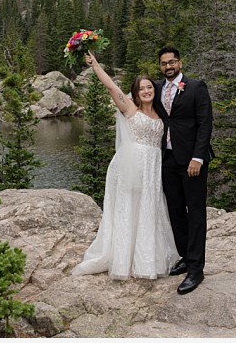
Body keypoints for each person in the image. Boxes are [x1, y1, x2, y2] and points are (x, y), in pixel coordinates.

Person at [72, 51, 180, 280]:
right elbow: (112, 88)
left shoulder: (162, 114)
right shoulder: (131, 109)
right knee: (129, 209)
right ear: (136, 93)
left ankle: (147, 261)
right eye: (142, 88)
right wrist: (96, 66)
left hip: (152, 168)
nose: (147, 91)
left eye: (150, 87)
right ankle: (124, 260)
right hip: (131, 167)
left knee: (149, 209)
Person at [153, 46, 214, 295]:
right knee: (175, 211)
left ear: (180, 63)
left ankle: (196, 270)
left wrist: (197, 157)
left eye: (172, 62)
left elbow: (205, 123)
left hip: (192, 161)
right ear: (160, 66)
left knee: (196, 212)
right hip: (167, 159)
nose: (168, 66)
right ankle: (186, 257)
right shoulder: (156, 89)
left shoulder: (196, 87)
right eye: (164, 63)